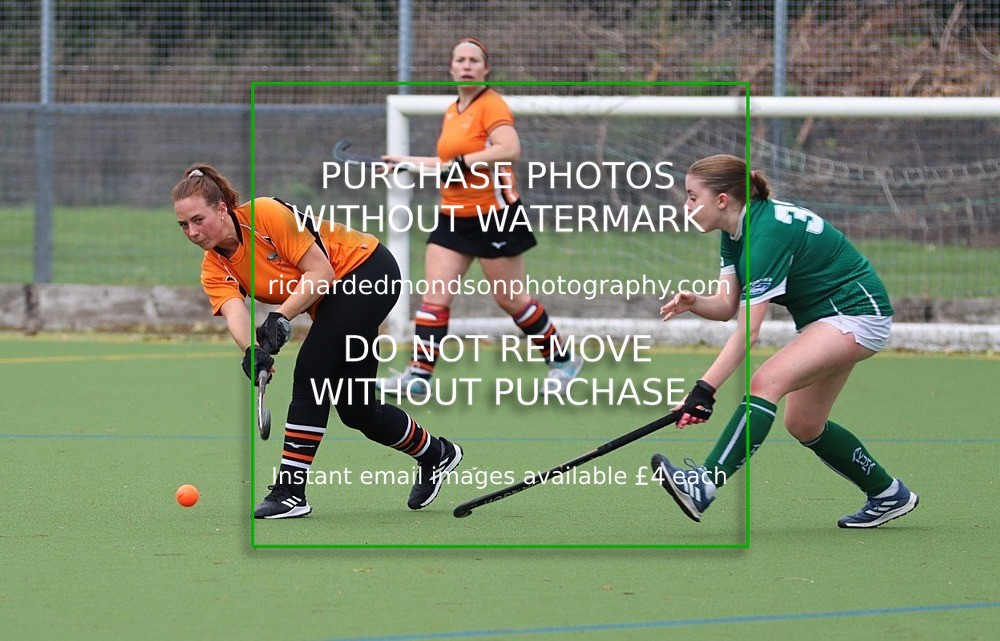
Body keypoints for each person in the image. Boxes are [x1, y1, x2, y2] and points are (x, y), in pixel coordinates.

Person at [171, 164, 463, 519]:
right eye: (183, 225)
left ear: (221, 208)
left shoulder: (265, 215)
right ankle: (436, 454)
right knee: (357, 410)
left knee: (311, 370)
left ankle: (290, 492)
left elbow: (321, 272)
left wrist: (281, 316)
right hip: (333, 301)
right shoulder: (213, 267)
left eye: (198, 220)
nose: (192, 232)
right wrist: (253, 350)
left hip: (367, 271)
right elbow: (236, 313)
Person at [652, 154, 919, 529]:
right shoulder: (736, 232)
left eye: (693, 196)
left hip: (857, 313)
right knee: (804, 423)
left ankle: (705, 484)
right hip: (827, 319)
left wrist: (704, 390)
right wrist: (695, 302)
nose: (686, 205)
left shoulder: (764, 236)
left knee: (766, 382)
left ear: (722, 200)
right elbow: (727, 306)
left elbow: (748, 332)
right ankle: (888, 493)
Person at [378, 37, 582, 400]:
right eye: (461, 60)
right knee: (435, 297)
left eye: (474, 60)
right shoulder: (453, 110)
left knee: (511, 300)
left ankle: (563, 361)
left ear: (485, 69)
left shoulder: (492, 104)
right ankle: (418, 376)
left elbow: (510, 149)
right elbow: (448, 164)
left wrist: (462, 163)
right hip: (452, 215)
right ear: (451, 67)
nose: (467, 65)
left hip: (494, 216)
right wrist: (406, 162)